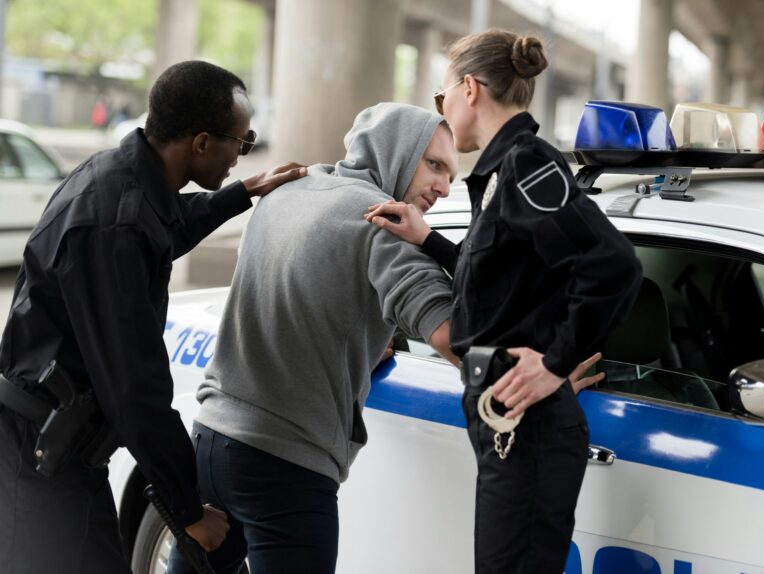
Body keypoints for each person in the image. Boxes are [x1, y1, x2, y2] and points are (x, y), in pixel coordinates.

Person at [0, 60, 307, 574]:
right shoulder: (113, 224)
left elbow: (164, 227)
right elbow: (134, 386)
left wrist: (242, 193)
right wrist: (186, 510)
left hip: (65, 451)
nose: (241, 153)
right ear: (202, 143)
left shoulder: (122, 180)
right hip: (36, 458)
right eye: (242, 141)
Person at [366, 30, 642, 573]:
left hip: (528, 421)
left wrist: (556, 362)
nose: (441, 110)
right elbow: (503, 280)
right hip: (507, 419)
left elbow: (613, 265)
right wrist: (429, 239)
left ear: (469, 89)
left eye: (441, 97)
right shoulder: (501, 170)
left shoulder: (526, 164)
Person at [166, 102, 459, 574]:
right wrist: (536, 379)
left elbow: (299, 294)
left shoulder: (287, 191)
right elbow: (453, 337)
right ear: (397, 151)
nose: (444, 187)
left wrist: (357, 347)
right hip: (286, 468)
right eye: (435, 165)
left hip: (211, 441)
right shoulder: (381, 224)